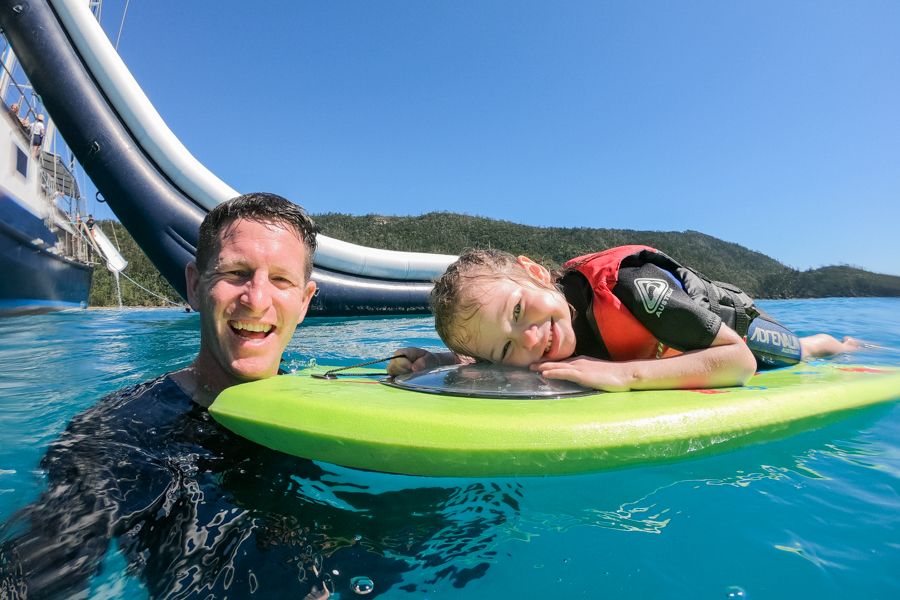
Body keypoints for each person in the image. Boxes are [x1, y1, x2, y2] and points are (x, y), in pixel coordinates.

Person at [0, 193, 339, 597]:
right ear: (195, 286)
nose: (257, 299)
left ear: (304, 301)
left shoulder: (328, 397)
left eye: (281, 280)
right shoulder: (121, 434)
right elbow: (32, 575)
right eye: (236, 273)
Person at [389, 245, 860, 391]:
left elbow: (739, 364)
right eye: (508, 348)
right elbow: (485, 353)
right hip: (663, 346)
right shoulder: (538, 333)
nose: (531, 339)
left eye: (518, 310)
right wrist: (436, 360)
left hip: (731, 327)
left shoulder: (630, 287)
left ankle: (831, 342)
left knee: (797, 352)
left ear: (536, 274)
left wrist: (628, 376)